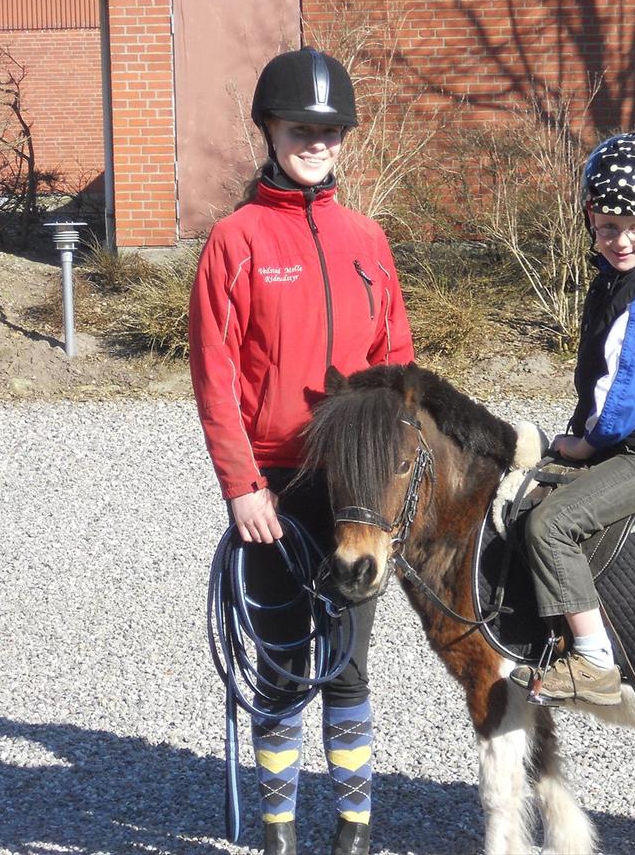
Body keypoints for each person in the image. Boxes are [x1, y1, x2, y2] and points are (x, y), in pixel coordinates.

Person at [188, 47, 414, 855]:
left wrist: (391, 483)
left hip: (353, 491)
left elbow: (396, 370)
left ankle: (353, 830)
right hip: (275, 489)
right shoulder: (235, 242)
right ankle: (279, 833)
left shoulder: (368, 239)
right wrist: (241, 486)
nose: (315, 143)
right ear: (271, 132)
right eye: (300, 129)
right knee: (284, 669)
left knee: (349, 668)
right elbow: (215, 379)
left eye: (329, 131)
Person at [509, 132, 635, 706]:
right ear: (590, 217)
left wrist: (588, 445)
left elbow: (630, 393)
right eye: (608, 227)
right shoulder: (613, 278)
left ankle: (594, 661)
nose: (621, 240)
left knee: (551, 523)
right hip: (628, 443)